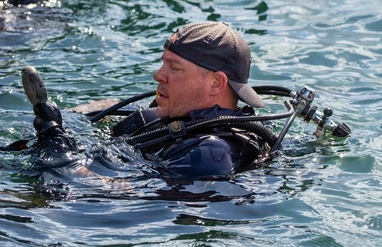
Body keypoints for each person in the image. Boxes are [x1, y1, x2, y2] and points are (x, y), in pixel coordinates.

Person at [15, 22, 278, 180]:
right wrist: (65, 116)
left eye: (175, 68)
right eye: (163, 63)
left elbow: (120, 202)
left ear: (216, 83)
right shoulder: (177, 114)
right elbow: (113, 107)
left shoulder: (211, 154)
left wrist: (61, 155)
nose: (158, 75)